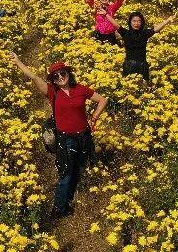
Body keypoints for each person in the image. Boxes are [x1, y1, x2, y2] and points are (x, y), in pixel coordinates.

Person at [12, 53, 107, 220]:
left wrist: (94, 117)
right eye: (56, 76)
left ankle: (67, 202)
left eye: (63, 73)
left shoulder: (81, 89)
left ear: (69, 74)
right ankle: (58, 208)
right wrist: (19, 62)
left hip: (84, 137)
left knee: (79, 170)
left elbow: (102, 100)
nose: (60, 77)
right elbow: (34, 77)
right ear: (53, 80)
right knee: (67, 174)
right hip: (66, 139)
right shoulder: (52, 92)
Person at [104, 11, 176, 80]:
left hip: (142, 66)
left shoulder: (145, 33)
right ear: (130, 22)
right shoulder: (126, 33)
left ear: (142, 23)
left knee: (143, 89)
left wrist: (168, 20)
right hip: (129, 66)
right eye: (134, 21)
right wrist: (106, 14)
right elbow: (116, 25)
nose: (136, 23)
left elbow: (156, 29)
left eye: (139, 21)